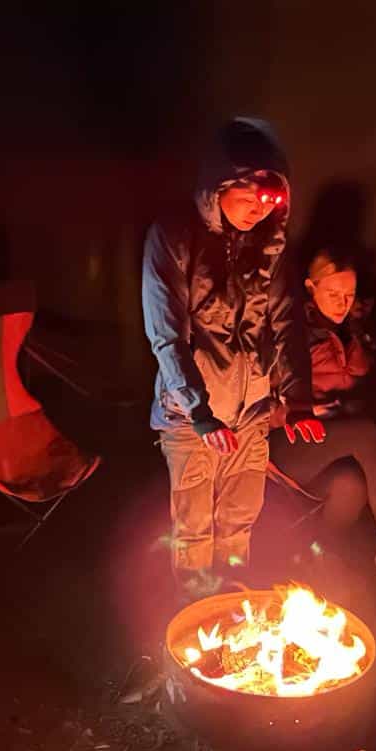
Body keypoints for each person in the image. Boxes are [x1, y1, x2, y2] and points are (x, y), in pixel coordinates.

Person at [143, 117, 311, 592]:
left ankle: (233, 616)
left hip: (252, 413)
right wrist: (198, 412)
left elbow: (286, 322)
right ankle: (193, 615)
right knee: (194, 529)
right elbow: (166, 333)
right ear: (220, 185)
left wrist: (296, 398)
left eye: (270, 199)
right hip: (192, 416)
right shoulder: (174, 236)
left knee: (239, 524)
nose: (258, 210)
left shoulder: (270, 245)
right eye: (249, 195)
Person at [267, 250, 376, 584]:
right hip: (291, 444)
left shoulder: (354, 332)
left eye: (349, 295)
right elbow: (266, 403)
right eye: (333, 294)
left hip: (337, 439)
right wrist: (310, 409)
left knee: (350, 486)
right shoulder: (292, 333)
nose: (342, 303)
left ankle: (315, 554)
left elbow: (370, 384)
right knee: (366, 434)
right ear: (310, 288)